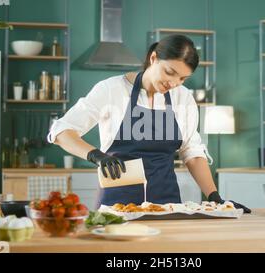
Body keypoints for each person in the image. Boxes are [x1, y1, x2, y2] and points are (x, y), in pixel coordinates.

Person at [47, 35, 250, 213]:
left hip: (167, 207)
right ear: (153, 58)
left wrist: (214, 197)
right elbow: (61, 131)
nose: (174, 83)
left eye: (182, 78)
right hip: (117, 208)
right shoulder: (111, 90)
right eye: (170, 72)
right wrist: (96, 155)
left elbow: (193, 153)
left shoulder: (183, 97)